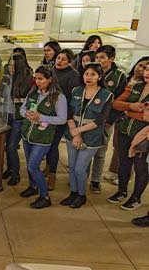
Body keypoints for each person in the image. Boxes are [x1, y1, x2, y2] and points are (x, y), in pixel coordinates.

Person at [62, 63, 113, 209]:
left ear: (99, 77)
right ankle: (73, 192)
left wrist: (79, 132)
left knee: (80, 168)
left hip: (92, 135)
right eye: (86, 74)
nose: (89, 77)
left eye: (93, 74)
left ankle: (81, 195)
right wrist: (74, 130)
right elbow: (69, 111)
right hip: (72, 131)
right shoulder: (76, 90)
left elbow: (101, 120)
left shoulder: (106, 95)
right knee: (72, 166)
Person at [19, 66, 67, 209]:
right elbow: (22, 109)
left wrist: (42, 117)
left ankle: (45, 196)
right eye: (36, 78)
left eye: (41, 79)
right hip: (28, 134)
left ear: (50, 79)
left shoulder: (58, 97)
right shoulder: (33, 92)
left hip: (43, 138)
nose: (37, 82)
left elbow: (62, 119)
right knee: (29, 164)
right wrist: (26, 114)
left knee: (33, 166)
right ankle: (32, 186)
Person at [107, 65, 149, 211]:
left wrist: (130, 111)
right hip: (125, 130)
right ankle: (122, 191)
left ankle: (136, 197)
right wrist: (131, 106)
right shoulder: (136, 85)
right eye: (147, 69)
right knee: (124, 163)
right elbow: (116, 103)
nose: (147, 73)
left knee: (140, 166)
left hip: (143, 136)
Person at [43, 49, 81, 191]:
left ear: (70, 61)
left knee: (53, 145)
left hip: (60, 116)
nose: (59, 61)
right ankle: (47, 166)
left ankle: (52, 174)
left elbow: (71, 99)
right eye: (58, 58)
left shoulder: (74, 76)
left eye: (64, 59)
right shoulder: (50, 70)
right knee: (45, 142)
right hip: (46, 113)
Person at [90, 45, 126, 192]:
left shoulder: (119, 77)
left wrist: (110, 121)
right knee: (85, 149)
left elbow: (119, 101)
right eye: (97, 57)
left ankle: (95, 180)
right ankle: (81, 176)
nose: (98, 60)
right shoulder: (91, 72)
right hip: (88, 119)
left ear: (111, 59)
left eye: (102, 57)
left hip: (106, 121)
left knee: (100, 152)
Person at [1, 53, 34, 186]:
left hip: (18, 118)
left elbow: (31, 101)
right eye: (8, 64)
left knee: (12, 146)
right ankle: (10, 168)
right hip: (6, 115)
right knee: (7, 146)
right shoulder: (6, 78)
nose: (9, 67)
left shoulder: (28, 80)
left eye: (12, 65)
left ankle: (16, 173)